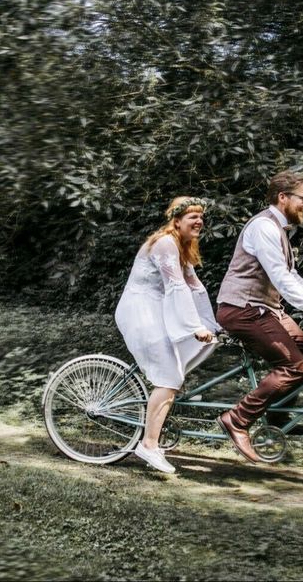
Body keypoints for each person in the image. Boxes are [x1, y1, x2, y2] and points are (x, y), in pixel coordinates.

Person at [215, 170, 303, 463]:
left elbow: (291, 275)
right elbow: (281, 280)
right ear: (283, 198)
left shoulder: (279, 229)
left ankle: (278, 416)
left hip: (263, 308)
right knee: (294, 365)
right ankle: (237, 419)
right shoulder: (264, 228)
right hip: (242, 309)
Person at [115, 197, 219, 474]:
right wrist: (194, 327)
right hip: (140, 310)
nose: (198, 221)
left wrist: (212, 323)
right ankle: (148, 445)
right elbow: (176, 287)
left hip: (155, 310)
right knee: (169, 376)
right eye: (192, 217)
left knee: (172, 376)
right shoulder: (164, 243)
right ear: (176, 221)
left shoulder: (182, 246)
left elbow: (194, 287)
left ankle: (152, 440)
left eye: (201, 217)